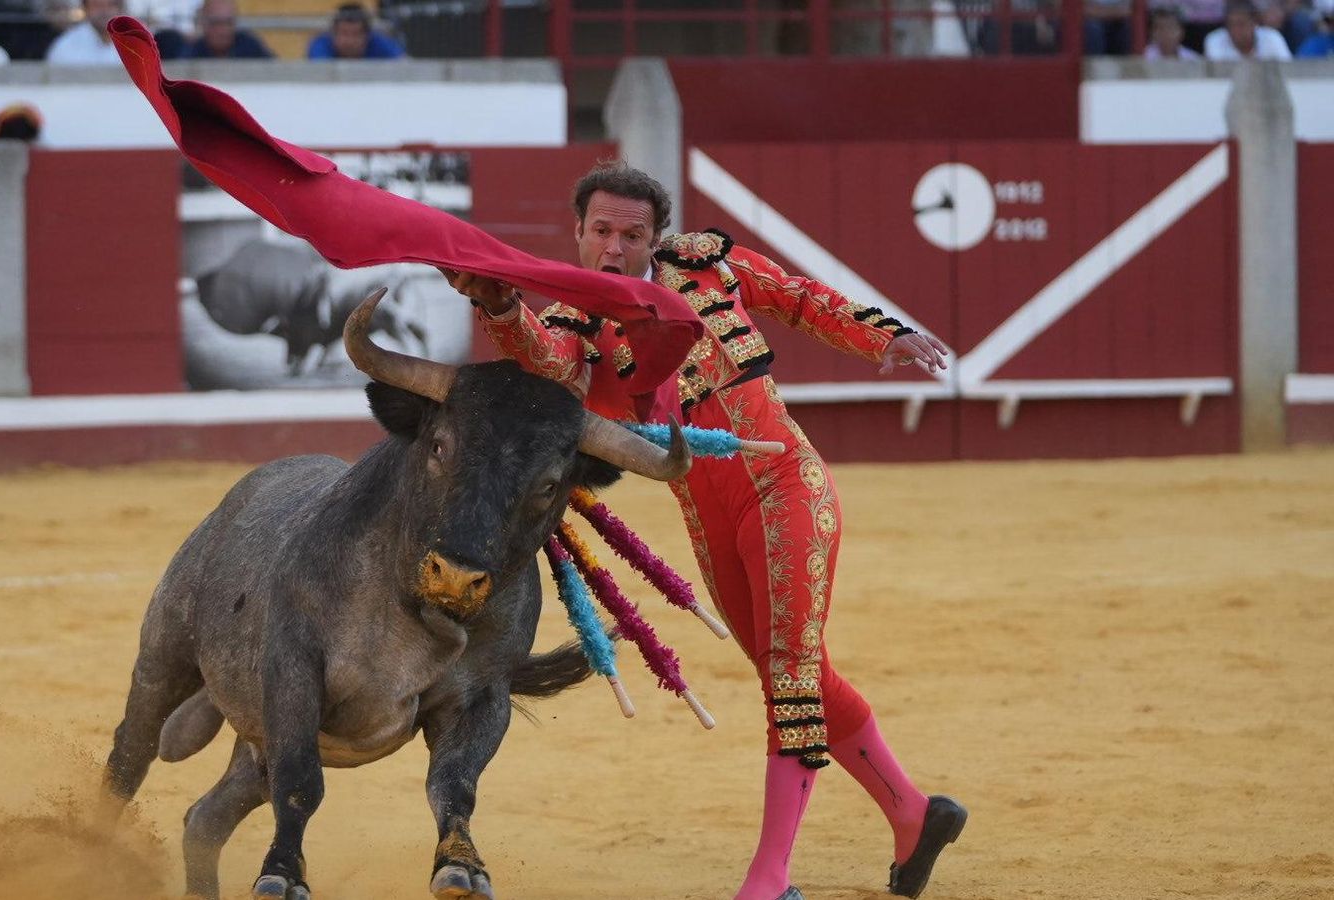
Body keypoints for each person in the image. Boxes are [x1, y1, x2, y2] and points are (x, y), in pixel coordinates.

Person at [442, 162, 964, 900]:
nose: (614, 247)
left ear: (655, 239)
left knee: (790, 671)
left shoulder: (707, 267)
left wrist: (884, 336)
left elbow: (803, 300)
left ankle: (770, 879)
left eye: (631, 235)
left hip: (787, 485)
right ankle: (914, 815)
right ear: (579, 234)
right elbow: (549, 361)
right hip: (707, 516)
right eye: (601, 232)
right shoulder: (571, 316)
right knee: (795, 671)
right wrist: (500, 307)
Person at [305, 3, 402, 60]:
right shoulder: (321, 45)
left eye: (356, 34)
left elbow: (403, 66)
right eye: (344, 33)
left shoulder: (381, 44)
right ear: (333, 34)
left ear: (367, 35)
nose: (350, 41)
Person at [177, 0, 269, 58]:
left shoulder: (249, 46)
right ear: (204, 24)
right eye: (217, 23)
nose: (223, 30)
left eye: (228, 23)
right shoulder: (193, 51)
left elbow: (274, 73)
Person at [1204, 0, 1293, 57]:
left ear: (1254, 23)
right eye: (1231, 24)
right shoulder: (1214, 40)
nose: (1235, 30)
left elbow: (1287, 71)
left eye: (1241, 24)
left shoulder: (1273, 38)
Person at [45, 0, 124, 64]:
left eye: (111, 4)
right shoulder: (64, 47)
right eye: (97, 5)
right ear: (85, 8)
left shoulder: (133, 40)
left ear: (121, 8)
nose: (105, 11)